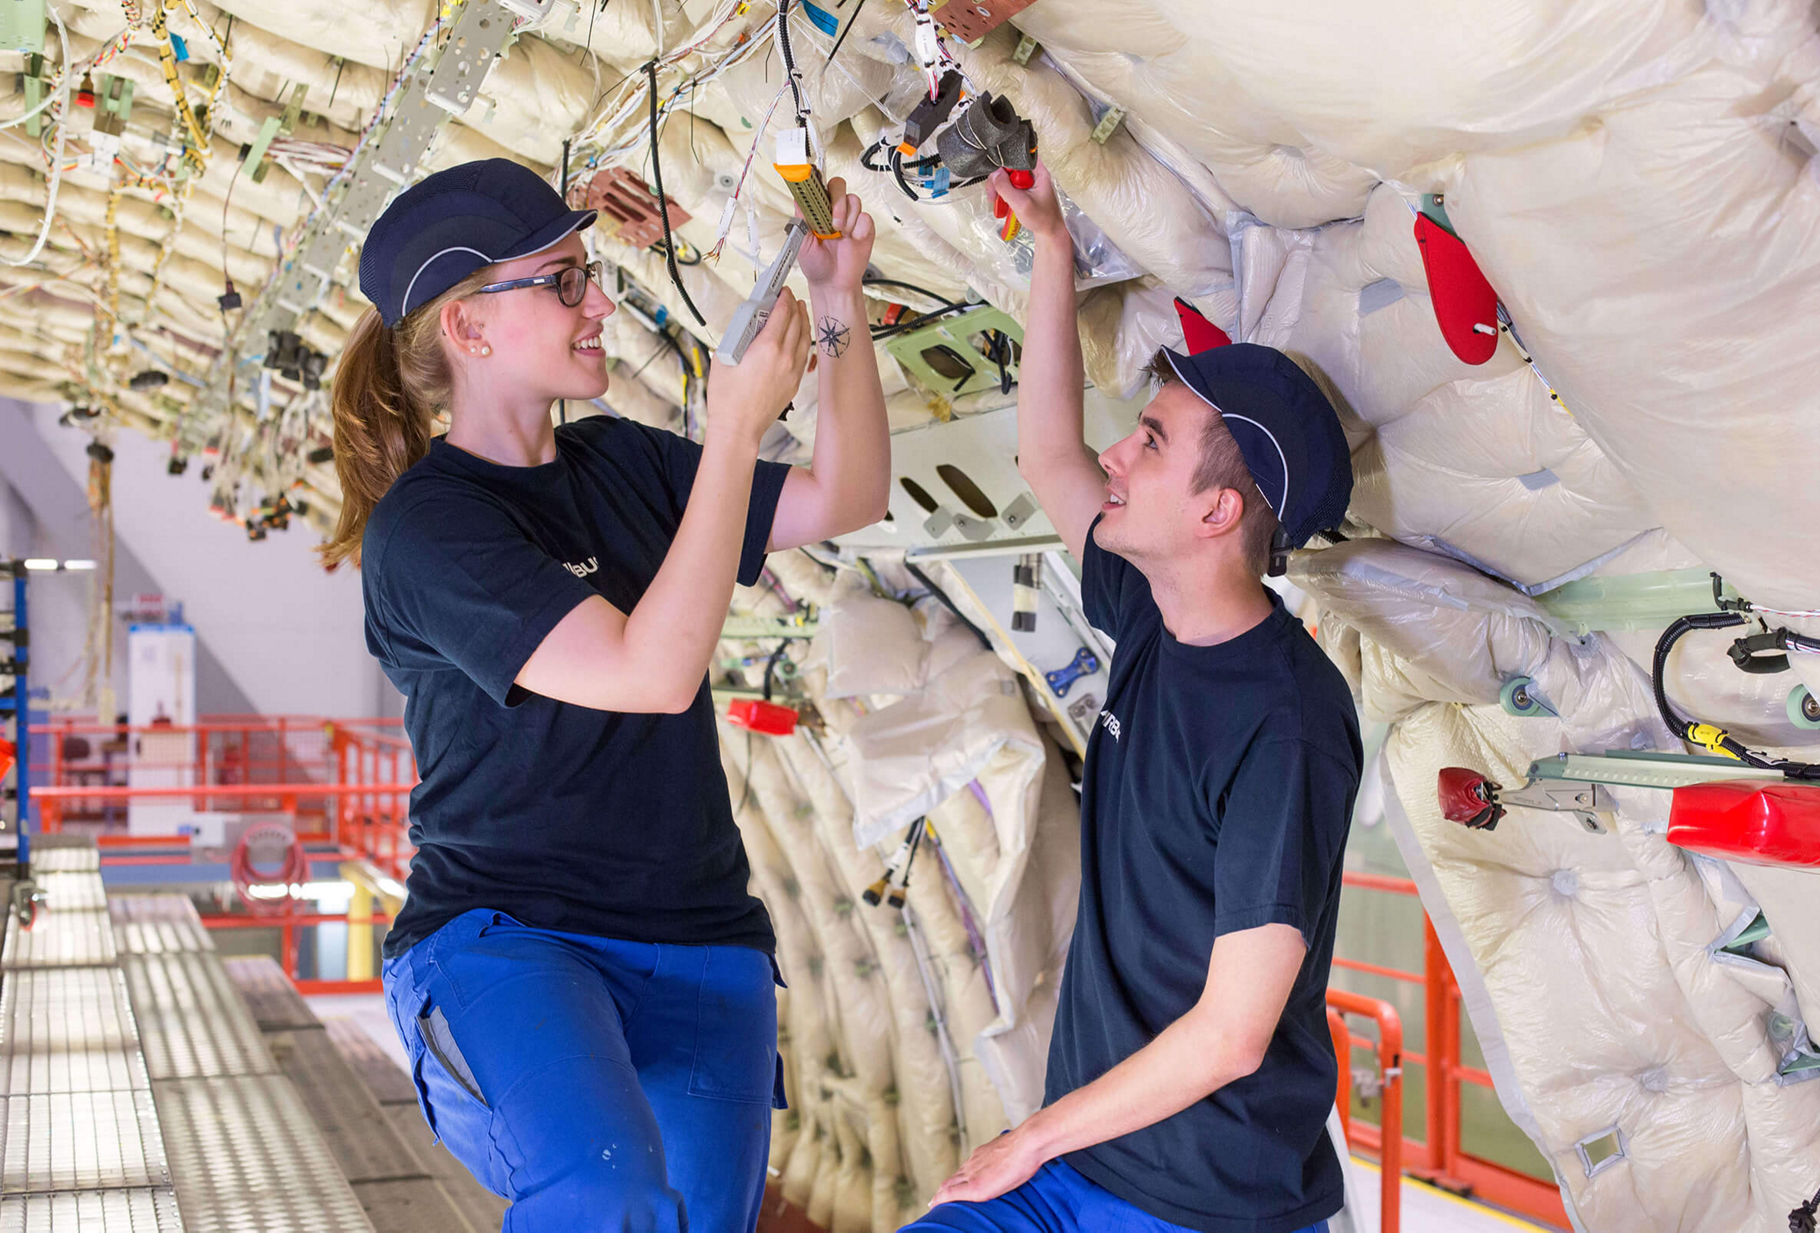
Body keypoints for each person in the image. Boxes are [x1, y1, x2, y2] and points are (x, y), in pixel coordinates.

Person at [323, 158, 887, 1231]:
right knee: (602, 1189)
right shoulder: (430, 530)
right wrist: (730, 431)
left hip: (699, 936)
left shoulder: (619, 461)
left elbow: (847, 493)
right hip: (514, 935)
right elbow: (648, 672)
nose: (600, 304)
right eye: (565, 281)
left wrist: (837, 302)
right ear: (470, 330)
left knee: (693, 1218)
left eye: (590, 274)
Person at [904, 164, 1362, 1233]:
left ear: (1215, 512)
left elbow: (1234, 1034)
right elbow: (1048, 452)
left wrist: (1029, 1139)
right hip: (1087, 1160)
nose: (1118, 452)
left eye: (1149, 442)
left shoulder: (1286, 724)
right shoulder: (1154, 611)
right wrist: (1052, 251)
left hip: (1205, 1203)